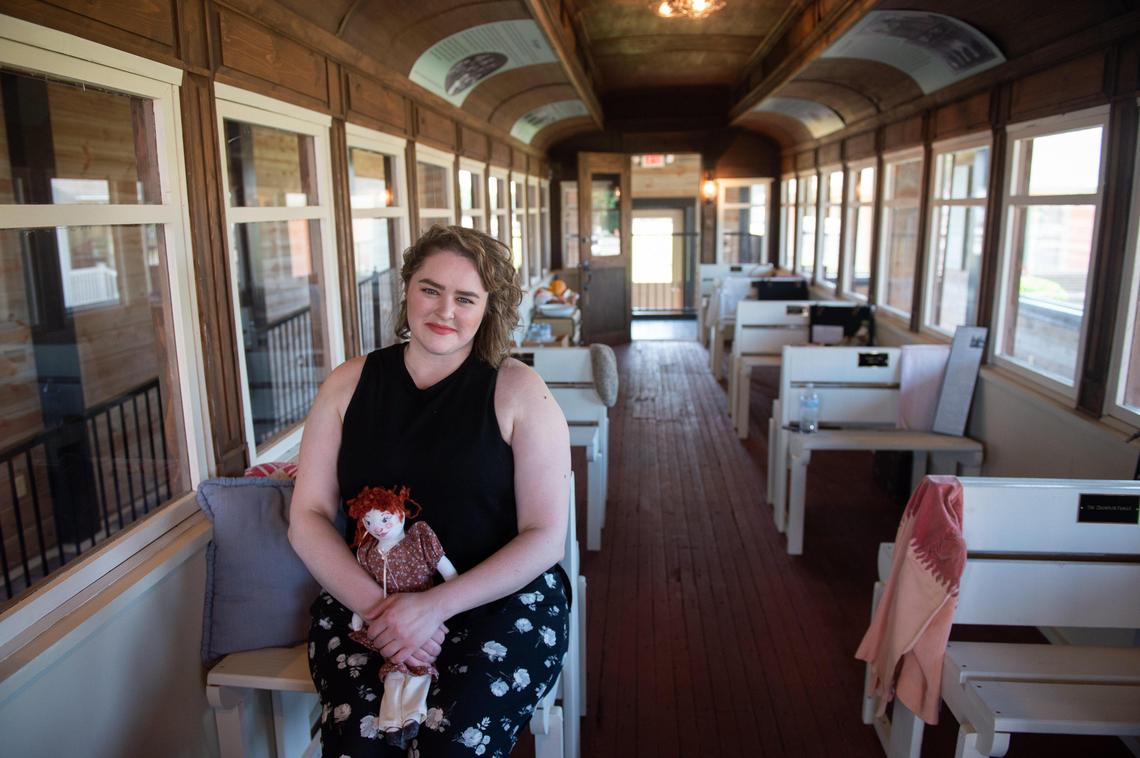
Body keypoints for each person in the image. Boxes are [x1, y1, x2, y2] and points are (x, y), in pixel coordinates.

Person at [289, 225, 572, 756]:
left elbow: (545, 536)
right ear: (407, 290)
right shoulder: (347, 385)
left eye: (465, 298)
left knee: (452, 744)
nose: (445, 310)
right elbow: (306, 515)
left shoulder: (518, 391)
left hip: (498, 597)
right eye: (430, 289)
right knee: (361, 742)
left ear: (489, 308)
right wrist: (383, 609)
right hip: (369, 599)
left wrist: (433, 608)